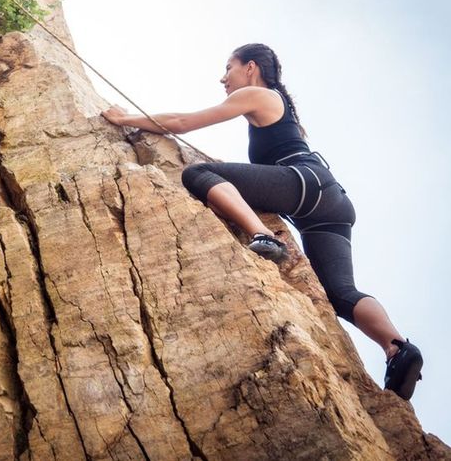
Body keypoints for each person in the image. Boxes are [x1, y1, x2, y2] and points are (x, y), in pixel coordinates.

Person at [100, 43, 423, 401]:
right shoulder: (277, 108)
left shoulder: (258, 94)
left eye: (229, 68)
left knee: (199, 173)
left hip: (304, 185)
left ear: (250, 68)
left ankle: (263, 236)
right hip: (329, 203)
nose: (223, 78)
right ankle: (398, 349)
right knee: (340, 294)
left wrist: (124, 118)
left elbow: (182, 124)